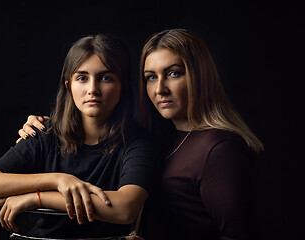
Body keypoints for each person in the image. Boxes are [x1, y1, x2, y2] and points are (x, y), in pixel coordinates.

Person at [16, 29, 264, 240]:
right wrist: (48, 124)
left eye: (174, 73)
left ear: (201, 75)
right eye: (151, 77)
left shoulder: (220, 149)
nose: (160, 89)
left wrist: (37, 198)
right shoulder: (161, 136)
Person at [0, 34, 156, 239]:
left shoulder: (137, 141)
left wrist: (37, 198)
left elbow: (125, 208)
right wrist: (57, 180)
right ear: (68, 86)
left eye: (105, 78)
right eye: (82, 78)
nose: (92, 89)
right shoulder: (45, 132)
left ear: (123, 86)